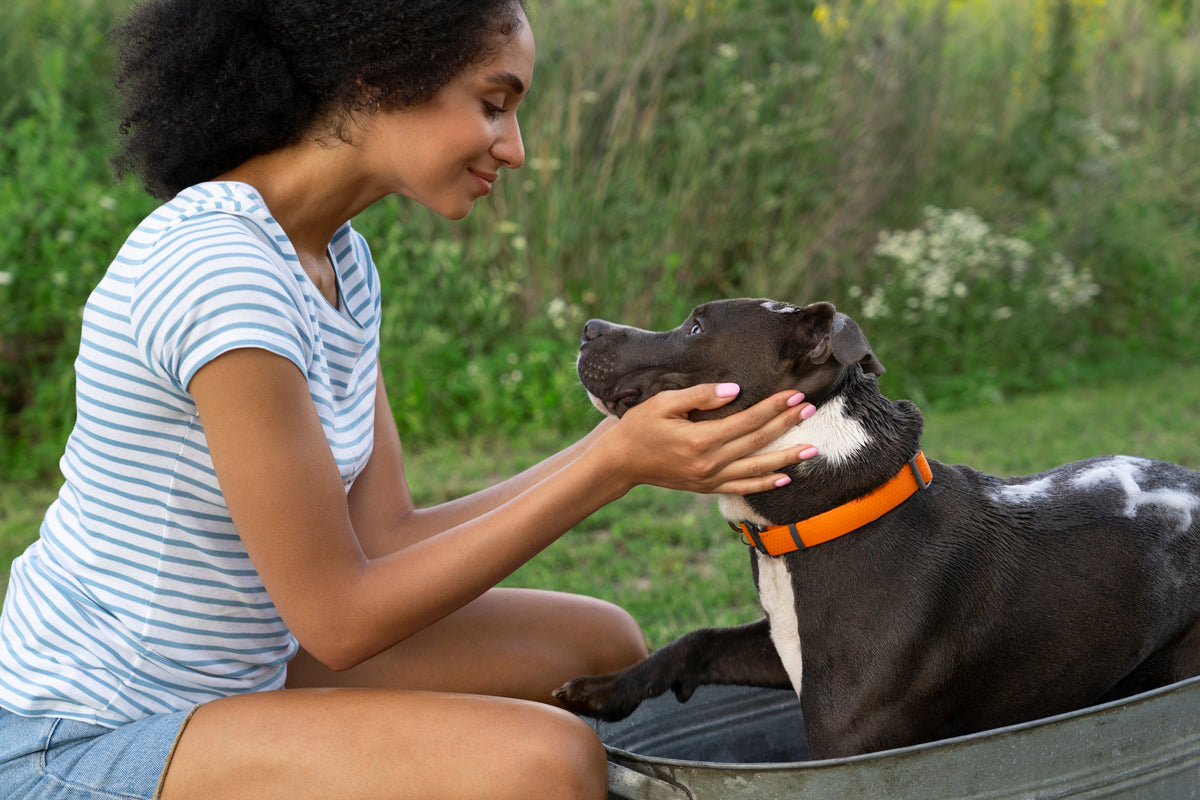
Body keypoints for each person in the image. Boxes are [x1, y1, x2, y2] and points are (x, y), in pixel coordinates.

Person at [0, 1, 818, 798]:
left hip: (242, 667)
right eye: (494, 105)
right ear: (376, 79)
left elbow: (384, 539)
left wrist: (624, 447)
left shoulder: (338, 262)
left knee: (594, 645)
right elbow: (341, 618)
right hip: (84, 734)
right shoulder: (222, 272)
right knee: (545, 764)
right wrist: (611, 467)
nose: (517, 149)